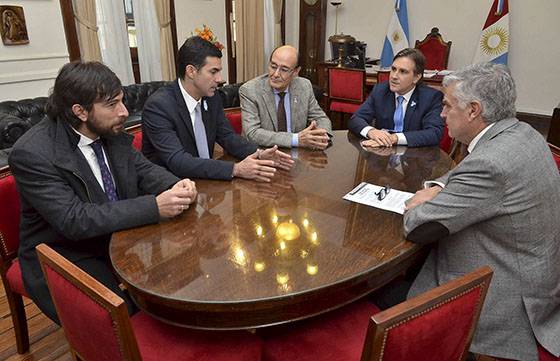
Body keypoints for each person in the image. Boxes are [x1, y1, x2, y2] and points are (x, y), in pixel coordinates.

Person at [8, 61, 198, 324]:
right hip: (64, 252)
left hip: (116, 237)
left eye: (121, 100)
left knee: (183, 280)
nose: (124, 111)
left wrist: (176, 184)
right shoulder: (32, 153)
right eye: (112, 104)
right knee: (128, 318)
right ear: (80, 111)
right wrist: (155, 206)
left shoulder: (109, 130)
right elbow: (74, 220)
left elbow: (144, 170)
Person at [403, 62, 560, 361]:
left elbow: (417, 226)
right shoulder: (522, 132)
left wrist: (419, 202)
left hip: (507, 301)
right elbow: (470, 170)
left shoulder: (491, 165)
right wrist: (438, 185)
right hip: (539, 275)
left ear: (474, 110)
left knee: (391, 290)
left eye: (447, 105)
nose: (441, 114)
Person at [142, 36, 293, 181]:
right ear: (191, 71)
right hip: (171, 188)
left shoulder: (211, 97)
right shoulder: (159, 107)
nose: (220, 79)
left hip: (206, 181)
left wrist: (259, 153)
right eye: (213, 72)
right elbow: (178, 161)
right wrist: (235, 169)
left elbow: (228, 137)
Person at [240, 45, 332, 150]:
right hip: (263, 154)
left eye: (284, 69)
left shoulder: (304, 86)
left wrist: (322, 137)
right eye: (273, 66)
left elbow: (320, 118)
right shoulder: (250, 90)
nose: (275, 74)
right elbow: (252, 133)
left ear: (296, 72)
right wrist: (296, 139)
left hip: (298, 154)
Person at [349, 48, 444, 148]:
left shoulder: (430, 97)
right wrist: (371, 131)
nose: (394, 76)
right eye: (393, 69)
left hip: (416, 157)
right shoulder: (380, 91)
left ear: (416, 77)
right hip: (382, 154)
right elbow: (355, 119)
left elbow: (434, 133)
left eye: (403, 71)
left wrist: (395, 138)